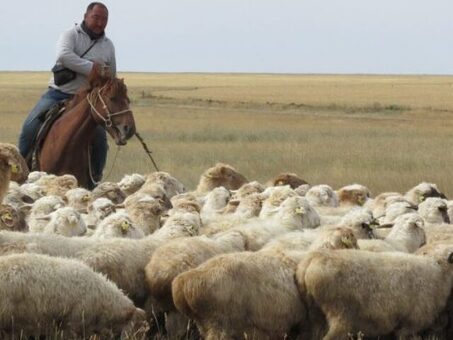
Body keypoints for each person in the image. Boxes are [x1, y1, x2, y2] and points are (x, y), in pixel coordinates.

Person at [18, 2, 116, 183]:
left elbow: (111, 73)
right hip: (59, 93)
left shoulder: (108, 45)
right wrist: (92, 67)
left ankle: (95, 178)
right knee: (29, 128)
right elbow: (63, 56)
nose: (100, 23)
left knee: (100, 138)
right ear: (86, 16)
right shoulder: (70, 35)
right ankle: (19, 171)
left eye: (104, 19)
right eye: (96, 17)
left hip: (88, 101)